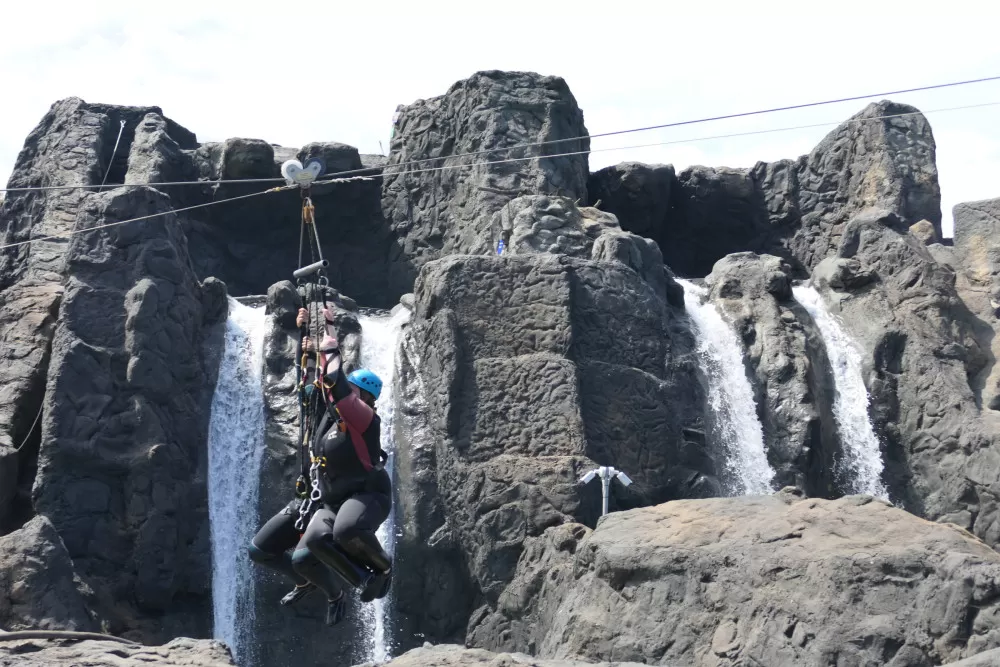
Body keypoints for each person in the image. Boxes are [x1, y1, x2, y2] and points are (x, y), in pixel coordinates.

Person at [248, 303, 393, 626]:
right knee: (307, 545)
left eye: (353, 390)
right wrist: (304, 338)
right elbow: (313, 386)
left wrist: (328, 332)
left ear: (365, 397)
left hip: (365, 493)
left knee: (345, 530)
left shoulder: (364, 417)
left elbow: (334, 381)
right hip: (328, 496)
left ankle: (382, 570)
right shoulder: (328, 416)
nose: (342, 392)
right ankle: (355, 582)